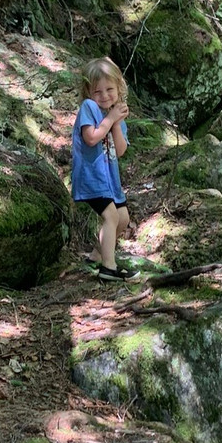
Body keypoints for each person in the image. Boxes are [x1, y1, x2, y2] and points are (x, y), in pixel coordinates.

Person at [71, 57, 138, 282]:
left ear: (119, 89)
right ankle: (108, 268)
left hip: (110, 180)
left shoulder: (116, 117)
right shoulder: (89, 108)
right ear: (89, 93)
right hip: (92, 177)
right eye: (97, 91)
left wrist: (117, 123)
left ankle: (97, 256)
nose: (105, 96)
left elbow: (120, 150)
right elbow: (91, 138)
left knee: (122, 217)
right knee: (110, 216)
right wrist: (110, 119)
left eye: (110, 89)